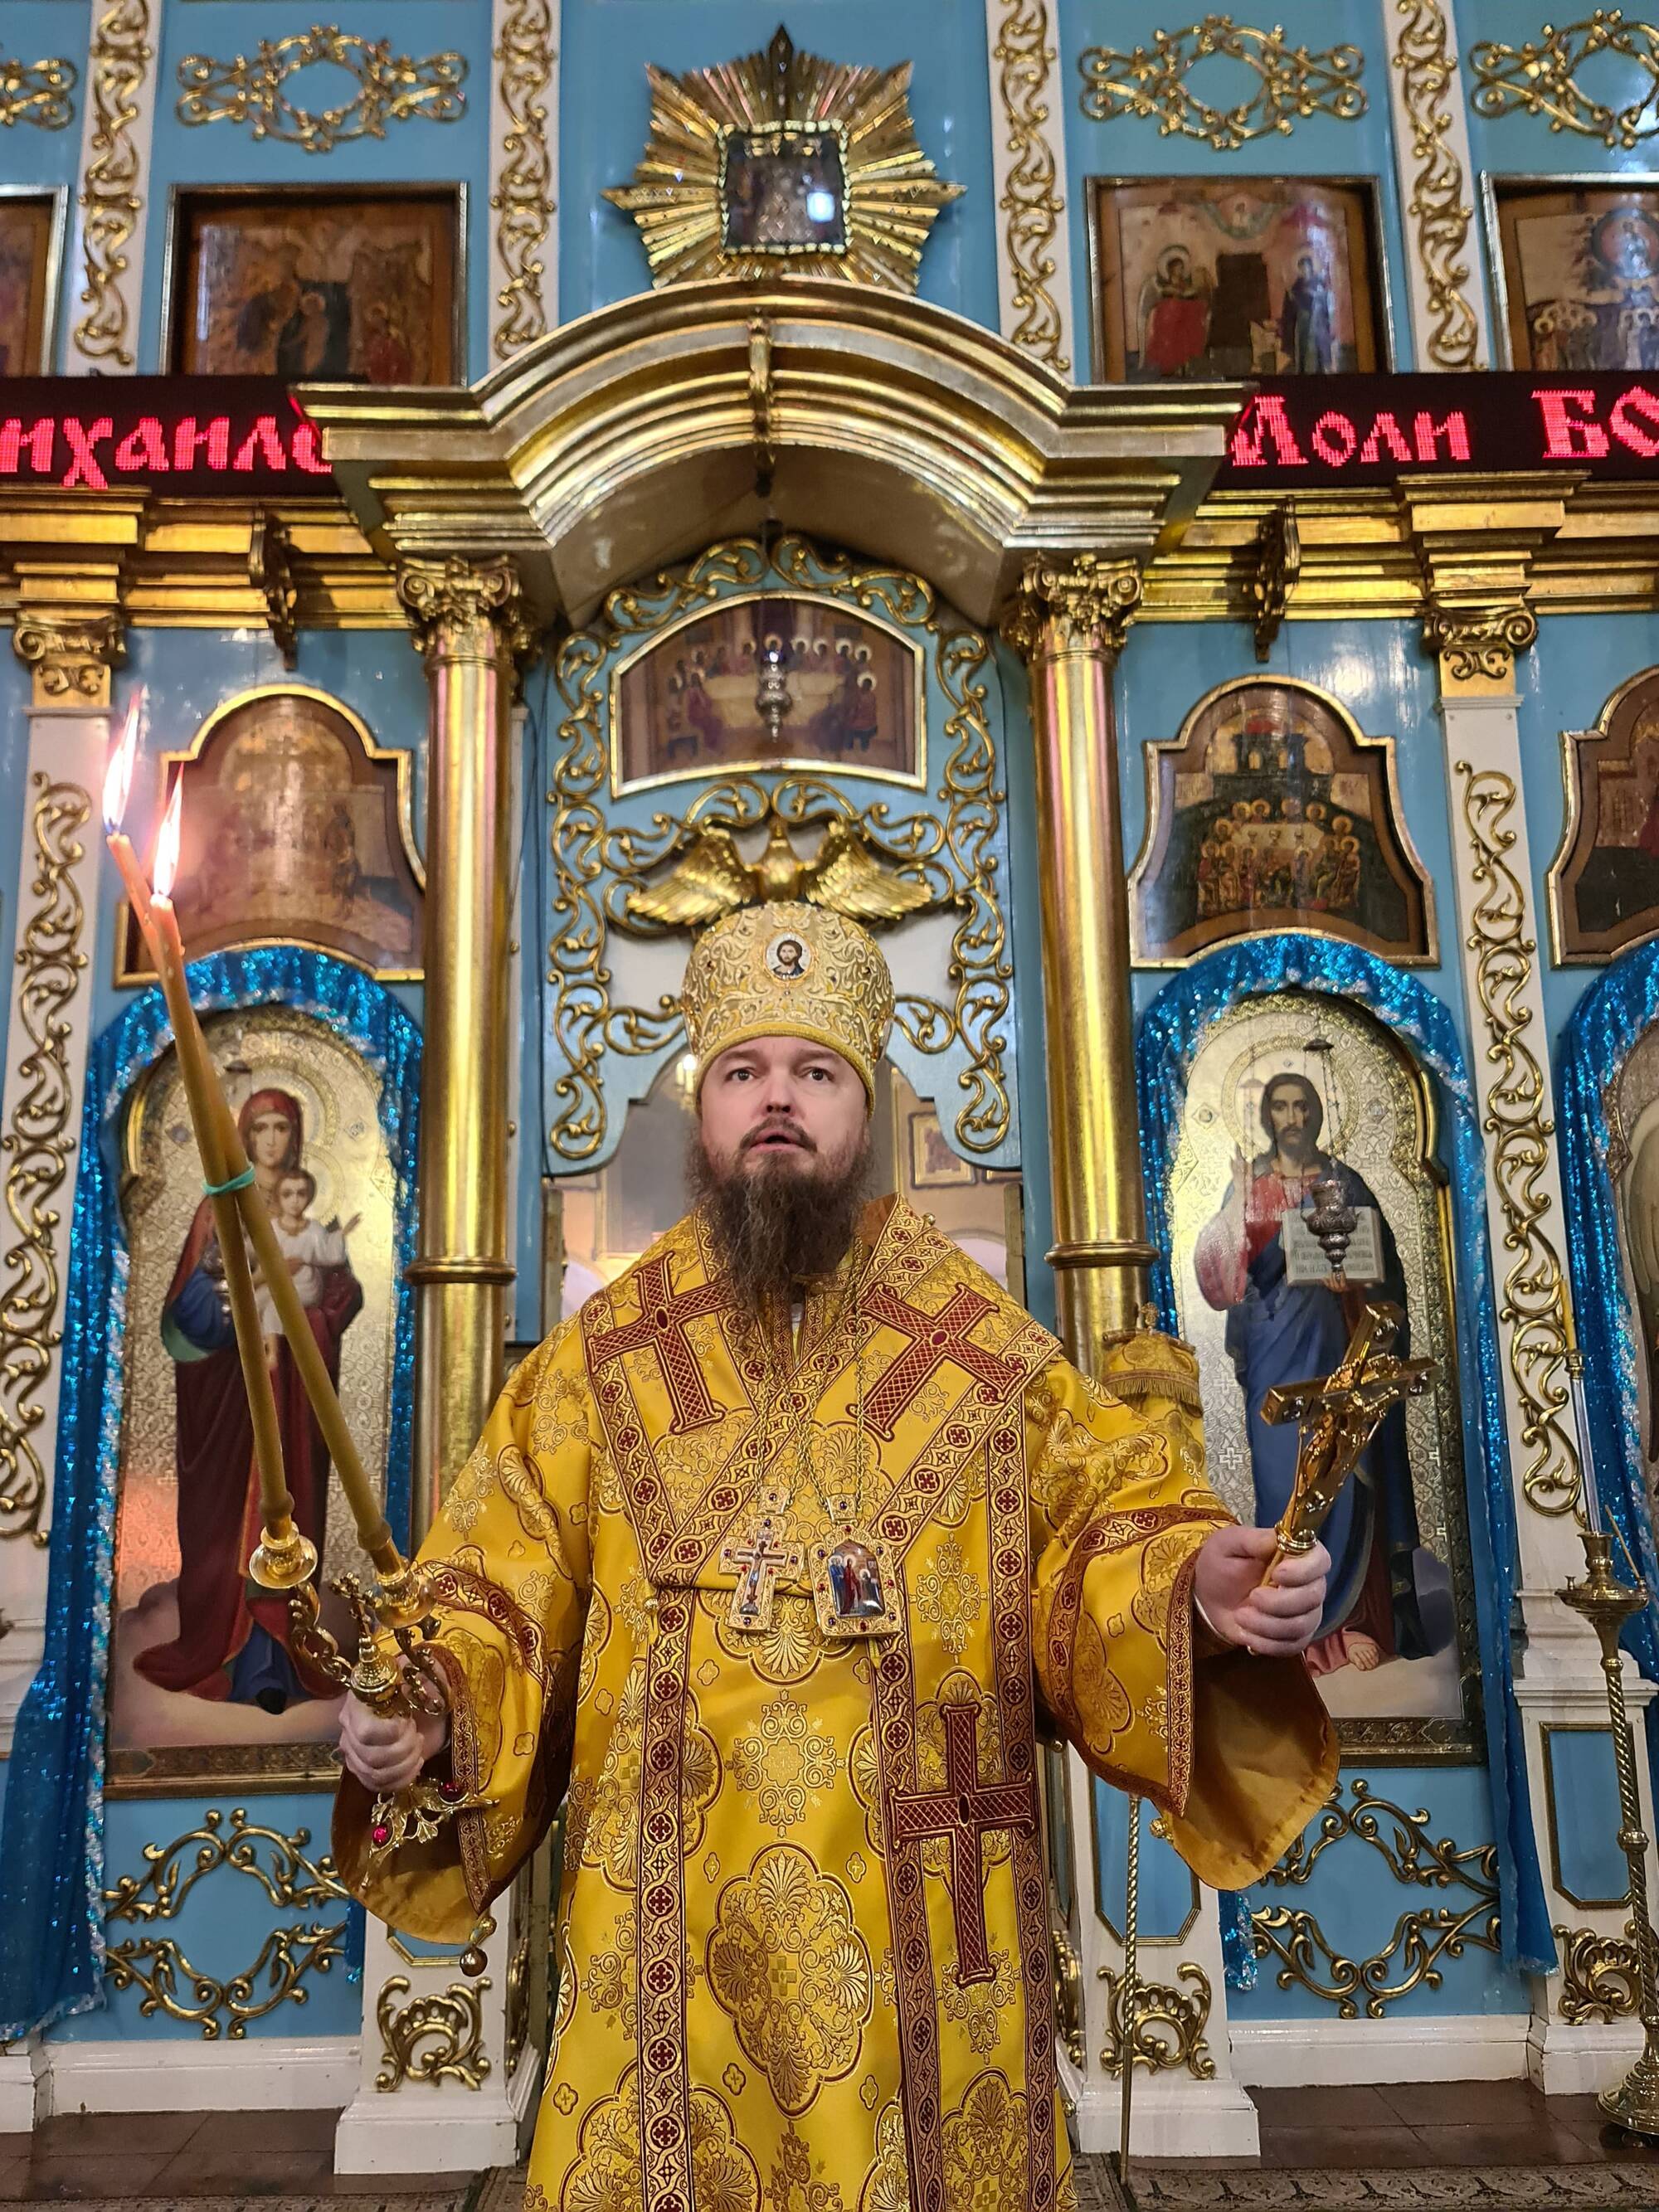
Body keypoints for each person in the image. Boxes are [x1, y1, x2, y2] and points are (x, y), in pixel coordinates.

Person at [335, 902, 1335, 2208]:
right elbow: (494, 1585)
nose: (777, 1099)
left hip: (929, 1934)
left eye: (815, 1071)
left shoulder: (983, 1349)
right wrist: (428, 1702)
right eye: (743, 1071)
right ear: (702, 1108)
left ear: (866, 1107)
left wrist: (1192, 1584)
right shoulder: (598, 1363)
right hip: (662, 1947)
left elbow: (1104, 1524)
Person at [1194, 1071, 1428, 1675]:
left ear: (1318, 1113)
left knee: (1344, 1473)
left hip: (1337, 1344)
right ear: (1267, 1116)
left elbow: (1386, 1275)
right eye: (1281, 1107)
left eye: (1303, 1106)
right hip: (1273, 1350)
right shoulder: (1251, 1186)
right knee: (1283, 1482)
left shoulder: (1344, 1184)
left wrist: (1355, 1284)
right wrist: (1238, 1207)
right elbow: (1223, 1280)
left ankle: (1350, 1622)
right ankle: (1293, 1628)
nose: (1293, 1118)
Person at [140, 1087, 362, 1713]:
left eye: (281, 1128)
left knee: (290, 1513)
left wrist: (311, 1312)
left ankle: (277, 1660)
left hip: (292, 1393)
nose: (271, 1139)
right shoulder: (218, 1209)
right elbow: (188, 1310)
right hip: (230, 1397)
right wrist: (230, 1306)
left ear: (296, 1137)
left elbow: (340, 1293)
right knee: (226, 1524)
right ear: (244, 1134)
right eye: (260, 1127)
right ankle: (222, 1648)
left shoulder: (306, 1213)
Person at [255, 1167, 360, 1377]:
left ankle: (273, 1355)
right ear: (279, 1198)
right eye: (287, 1194)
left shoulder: (314, 1230)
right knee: (256, 1300)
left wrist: (341, 1235)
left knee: (274, 1307)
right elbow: (258, 1251)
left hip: (304, 1284)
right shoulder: (272, 1228)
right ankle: (259, 1346)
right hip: (278, 1282)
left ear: (309, 1197)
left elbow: (329, 1254)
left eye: (300, 1194)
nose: (294, 1200)